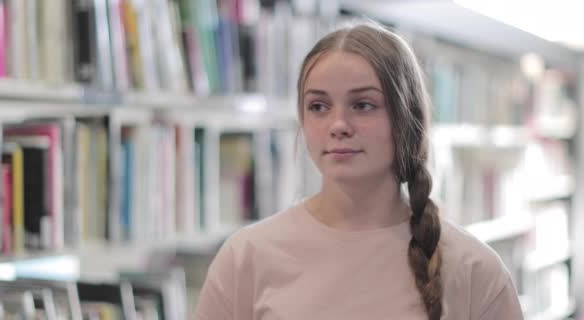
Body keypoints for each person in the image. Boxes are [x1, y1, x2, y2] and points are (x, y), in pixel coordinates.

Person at [194, 21, 523, 320]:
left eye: (363, 105)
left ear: (406, 118)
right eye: (319, 106)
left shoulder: (475, 270)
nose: (338, 125)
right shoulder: (245, 258)